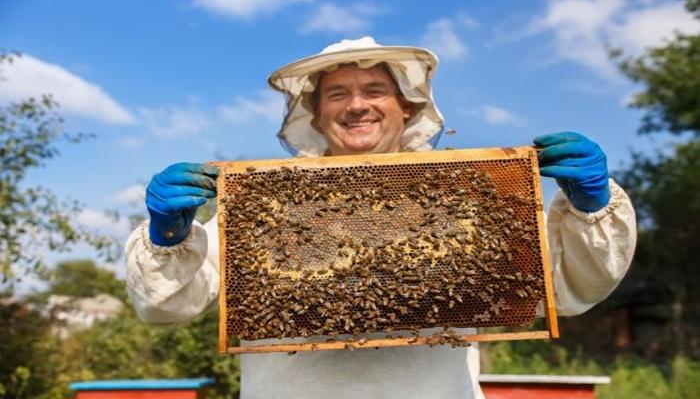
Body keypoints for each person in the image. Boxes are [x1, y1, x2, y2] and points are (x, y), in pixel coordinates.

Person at [126, 37, 636, 399]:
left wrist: (590, 212)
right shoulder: (269, 207)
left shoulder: (466, 200)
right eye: (337, 94)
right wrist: (169, 238)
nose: (357, 106)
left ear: (406, 108)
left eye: (374, 90)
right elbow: (165, 307)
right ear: (315, 114)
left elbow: (567, 290)